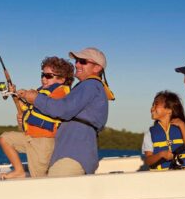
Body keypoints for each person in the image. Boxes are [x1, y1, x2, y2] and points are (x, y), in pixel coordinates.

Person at [17, 47, 115, 177]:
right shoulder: (89, 87)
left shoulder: (90, 84)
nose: (77, 64)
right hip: (70, 155)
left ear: (97, 68)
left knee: (54, 193)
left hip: (72, 156)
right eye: (77, 61)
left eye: (83, 61)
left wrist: (36, 98)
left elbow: (63, 109)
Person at [0, 56, 74, 179]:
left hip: (43, 142)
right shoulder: (40, 92)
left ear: (61, 79)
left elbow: (48, 104)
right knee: (5, 139)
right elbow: (27, 108)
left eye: (49, 76)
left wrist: (28, 95)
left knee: (37, 178)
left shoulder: (61, 92)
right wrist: (15, 95)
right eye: (42, 75)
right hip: (30, 137)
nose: (44, 79)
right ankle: (19, 171)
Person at [142, 90, 185, 170]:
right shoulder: (150, 134)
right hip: (162, 178)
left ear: (169, 110)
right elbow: (148, 160)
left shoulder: (183, 127)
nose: (152, 109)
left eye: (156, 104)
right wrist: (161, 155)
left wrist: (182, 125)